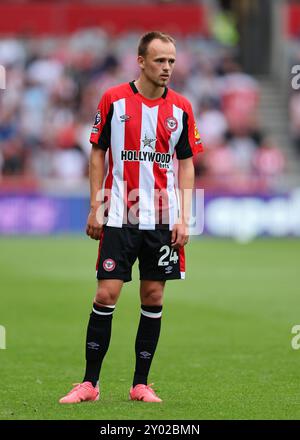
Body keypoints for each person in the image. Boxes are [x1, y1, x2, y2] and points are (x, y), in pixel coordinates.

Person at [59, 31, 203, 404]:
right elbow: (97, 153)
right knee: (106, 293)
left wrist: (185, 216)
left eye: (171, 60)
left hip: (162, 217)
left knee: (153, 295)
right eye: (159, 60)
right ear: (141, 61)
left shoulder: (182, 108)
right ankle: (90, 384)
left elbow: (186, 164)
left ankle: (141, 384)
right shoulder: (113, 99)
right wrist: (96, 205)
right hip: (120, 213)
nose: (167, 67)